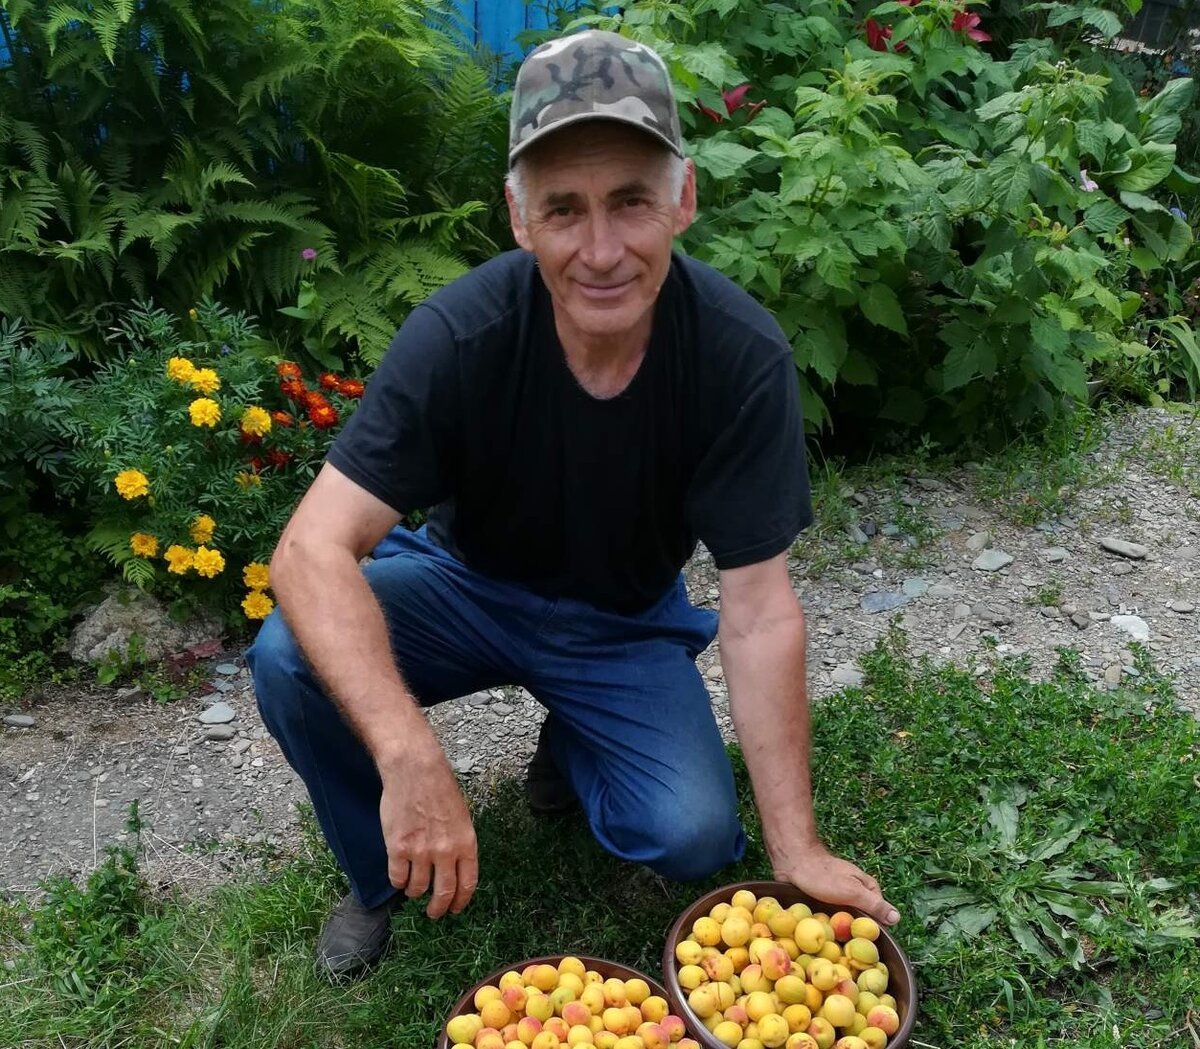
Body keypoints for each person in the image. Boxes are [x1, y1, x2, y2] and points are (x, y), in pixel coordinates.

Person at [247, 28, 899, 979]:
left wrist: (794, 849)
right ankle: (375, 875)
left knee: (692, 834)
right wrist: (410, 752)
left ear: (683, 199)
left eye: (631, 201)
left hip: (620, 622)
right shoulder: (458, 335)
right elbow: (309, 551)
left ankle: (571, 744)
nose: (601, 250)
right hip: (461, 587)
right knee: (288, 653)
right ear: (520, 219)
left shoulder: (738, 357)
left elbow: (758, 610)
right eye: (565, 209)